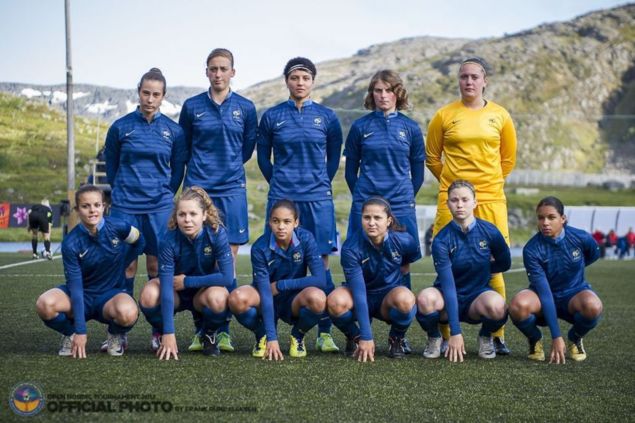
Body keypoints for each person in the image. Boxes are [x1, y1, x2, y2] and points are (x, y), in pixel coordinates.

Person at [425, 56, 517, 354]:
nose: (469, 81)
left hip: (490, 198)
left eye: (474, 76)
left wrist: (484, 187)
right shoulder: (444, 115)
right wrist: (454, 189)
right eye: (464, 76)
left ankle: (497, 335)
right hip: (450, 200)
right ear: (458, 80)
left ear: (484, 80)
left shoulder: (501, 115)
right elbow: (431, 157)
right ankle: (441, 335)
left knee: (495, 269)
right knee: (445, 265)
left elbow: (507, 159)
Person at [257, 57, 342, 353]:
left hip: (318, 198)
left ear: (313, 81)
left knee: (322, 261)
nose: (300, 82)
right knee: (275, 257)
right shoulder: (272, 116)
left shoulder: (328, 117)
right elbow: (262, 159)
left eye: (305, 77)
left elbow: (333, 158)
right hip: (283, 196)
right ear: (287, 81)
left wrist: (320, 181)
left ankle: (325, 332)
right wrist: (280, 182)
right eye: (295, 77)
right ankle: (267, 329)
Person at [178, 49, 258, 353]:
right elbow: (183, 148)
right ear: (206, 72)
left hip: (232, 190)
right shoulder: (192, 106)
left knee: (229, 263)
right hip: (198, 190)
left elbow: (247, 148)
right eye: (213, 69)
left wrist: (227, 170)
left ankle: (222, 330)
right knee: (197, 261)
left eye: (224, 69)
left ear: (233, 72)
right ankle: (202, 329)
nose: (218, 74)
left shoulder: (246, 108)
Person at [104, 68, 187, 349]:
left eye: (156, 94)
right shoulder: (120, 127)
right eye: (145, 93)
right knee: (124, 265)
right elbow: (112, 167)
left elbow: (177, 171)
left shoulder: (174, 131)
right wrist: (123, 192)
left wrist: (163, 194)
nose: (150, 99)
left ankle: (157, 330)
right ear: (138, 92)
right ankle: (119, 331)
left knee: (156, 265)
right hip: (125, 207)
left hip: (158, 208)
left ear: (163, 97)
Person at [35, 185, 144, 358]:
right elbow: (76, 287)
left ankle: (114, 335)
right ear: (77, 210)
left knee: (129, 312)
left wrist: (124, 260)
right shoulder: (70, 243)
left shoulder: (119, 226)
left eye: (96, 205)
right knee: (44, 304)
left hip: (110, 296)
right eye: (86, 206)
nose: (92, 210)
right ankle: (69, 334)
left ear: (104, 206)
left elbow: (140, 241)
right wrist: (79, 331)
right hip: (81, 295)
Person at [415, 180, 511, 362]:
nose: (459, 204)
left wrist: (483, 268)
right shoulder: (441, 239)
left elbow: (504, 263)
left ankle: (485, 336)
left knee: (498, 306)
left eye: (465, 199)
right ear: (448, 204)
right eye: (454, 200)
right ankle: (435, 337)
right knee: (425, 299)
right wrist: (455, 332)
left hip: (477, 297)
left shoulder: (490, 231)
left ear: (475, 203)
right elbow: (449, 285)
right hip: (446, 294)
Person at [139, 187, 234, 359]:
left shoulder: (216, 234)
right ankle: (162, 333)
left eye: (193, 214)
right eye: (182, 214)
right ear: (176, 216)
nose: (187, 220)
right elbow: (167, 286)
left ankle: (208, 333)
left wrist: (188, 281)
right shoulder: (167, 239)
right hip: (175, 291)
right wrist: (169, 332)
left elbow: (227, 278)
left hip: (203, 290)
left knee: (220, 298)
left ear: (204, 215)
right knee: (149, 294)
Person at [228, 199, 328, 359]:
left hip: (294, 298)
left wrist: (282, 285)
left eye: (286, 221)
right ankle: (261, 335)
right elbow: (266, 292)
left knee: (318, 298)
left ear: (296, 223)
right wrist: (272, 337)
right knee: (237, 298)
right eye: (276, 221)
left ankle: (298, 335)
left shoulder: (306, 239)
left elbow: (320, 280)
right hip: (264, 295)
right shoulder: (259, 247)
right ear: (269, 222)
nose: (281, 226)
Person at [510, 196, 603, 363]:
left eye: (551, 217)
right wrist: (556, 336)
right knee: (518, 305)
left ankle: (575, 338)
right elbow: (545, 293)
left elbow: (593, 255)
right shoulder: (532, 249)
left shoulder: (581, 237)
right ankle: (534, 338)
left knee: (594, 306)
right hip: (542, 295)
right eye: (541, 218)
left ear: (563, 219)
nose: (545, 222)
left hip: (574, 294)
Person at [327, 197, 418, 362]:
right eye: (367, 217)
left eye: (377, 218)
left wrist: (406, 308)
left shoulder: (405, 240)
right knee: (335, 301)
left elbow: (405, 269)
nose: (371, 222)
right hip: (360, 295)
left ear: (389, 221)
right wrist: (366, 336)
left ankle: (397, 338)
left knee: (406, 299)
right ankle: (354, 337)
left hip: (387, 298)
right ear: (361, 219)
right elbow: (359, 291)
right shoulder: (350, 247)